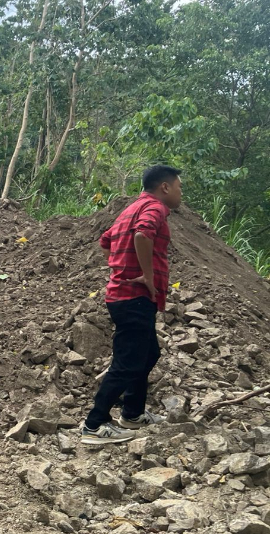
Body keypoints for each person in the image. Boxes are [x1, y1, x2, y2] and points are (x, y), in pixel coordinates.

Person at [81, 165, 183, 445]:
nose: (180, 193)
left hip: (127, 296)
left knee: (148, 354)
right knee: (127, 362)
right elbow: (142, 235)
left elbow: (106, 242)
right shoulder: (156, 207)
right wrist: (146, 275)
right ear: (164, 187)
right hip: (134, 297)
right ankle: (94, 425)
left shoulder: (131, 208)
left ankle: (133, 414)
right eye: (179, 187)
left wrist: (121, 268)